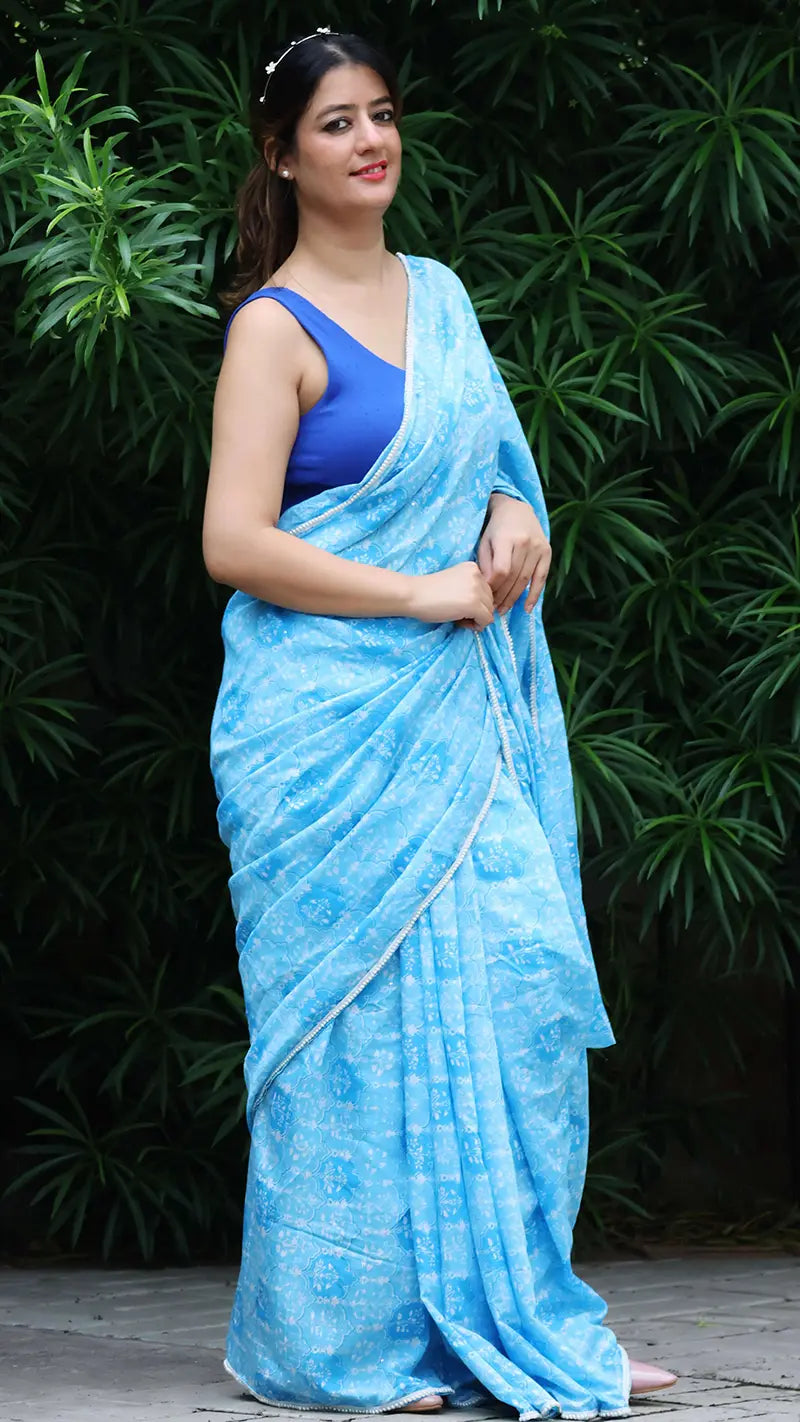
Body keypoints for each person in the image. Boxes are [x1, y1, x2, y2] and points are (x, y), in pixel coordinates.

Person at [203, 26, 678, 1420]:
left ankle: (525, 1316)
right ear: (283, 156)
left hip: (461, 719)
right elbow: (235, 541)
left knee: (518, 996)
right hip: (325, 727)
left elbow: (496, 471)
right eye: (336, 123)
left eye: (382, 114)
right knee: (354, 1035)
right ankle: (338, 1347)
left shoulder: (445, 296)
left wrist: (518, 513)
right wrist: (417, 591)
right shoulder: (272, 329)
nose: (370, 141)